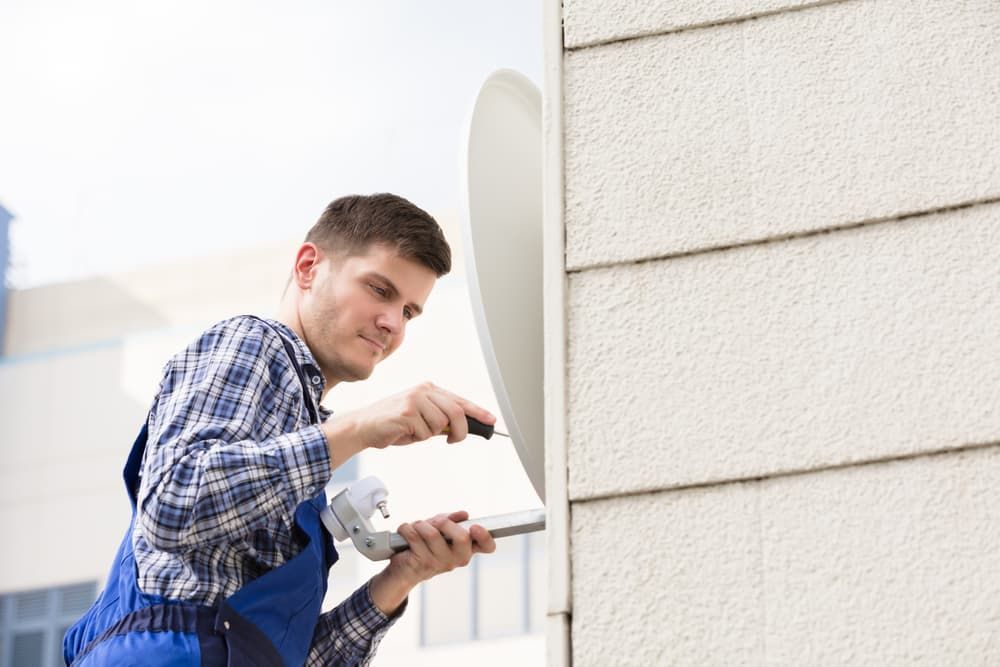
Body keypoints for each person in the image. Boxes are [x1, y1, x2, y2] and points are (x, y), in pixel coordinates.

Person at [63, 193, 498, 666]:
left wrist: (402, 577)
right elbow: (173, 502)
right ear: (309, 267)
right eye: (379, 289)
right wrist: (360, 428)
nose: (392, 323)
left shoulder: (303, 461)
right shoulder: (254, 345)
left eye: (409, 312)